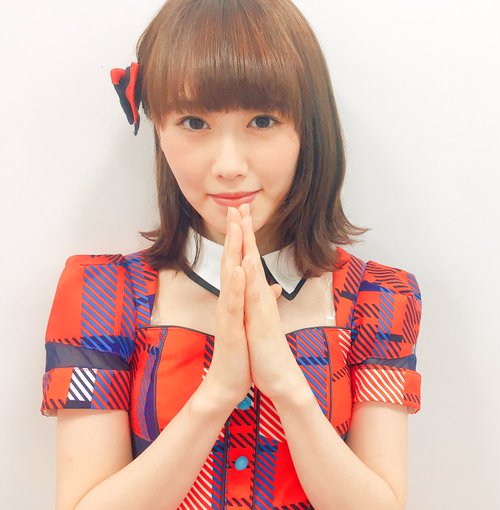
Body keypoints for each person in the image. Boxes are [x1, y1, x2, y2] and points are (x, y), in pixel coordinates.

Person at [40, 1, 423, 509]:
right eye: (193, 122)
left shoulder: (379, 298)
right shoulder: (102, 294)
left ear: (307, 130)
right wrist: (218, 391)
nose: (228, 165)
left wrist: (284, 382)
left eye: (262, 121)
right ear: (158, 130)